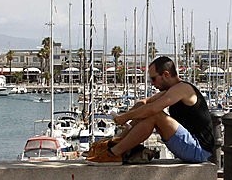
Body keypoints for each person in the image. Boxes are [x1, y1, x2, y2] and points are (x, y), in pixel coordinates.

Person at [86, 56, 215, 164]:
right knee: (145, 110)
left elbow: (153, 109)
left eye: (153, 78)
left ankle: (113, 154)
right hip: (190, 147)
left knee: (155, 115)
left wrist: (126, 117)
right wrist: (132, 112)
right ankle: (113, 144)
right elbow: (145, 103)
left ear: (166, 75)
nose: (152, 83)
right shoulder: (171, 90)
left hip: (199, 150)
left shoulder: (183, 89)